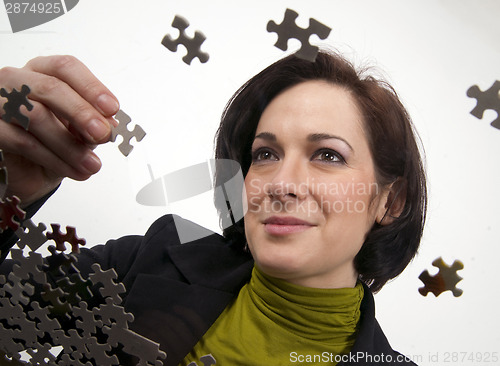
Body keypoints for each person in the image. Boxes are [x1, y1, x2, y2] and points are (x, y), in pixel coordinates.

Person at [0, 50, 426, 365]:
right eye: (265, 155)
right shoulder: (148, 259)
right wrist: (8, 190)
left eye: (328, 155)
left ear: (390, 201)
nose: (281, 183)